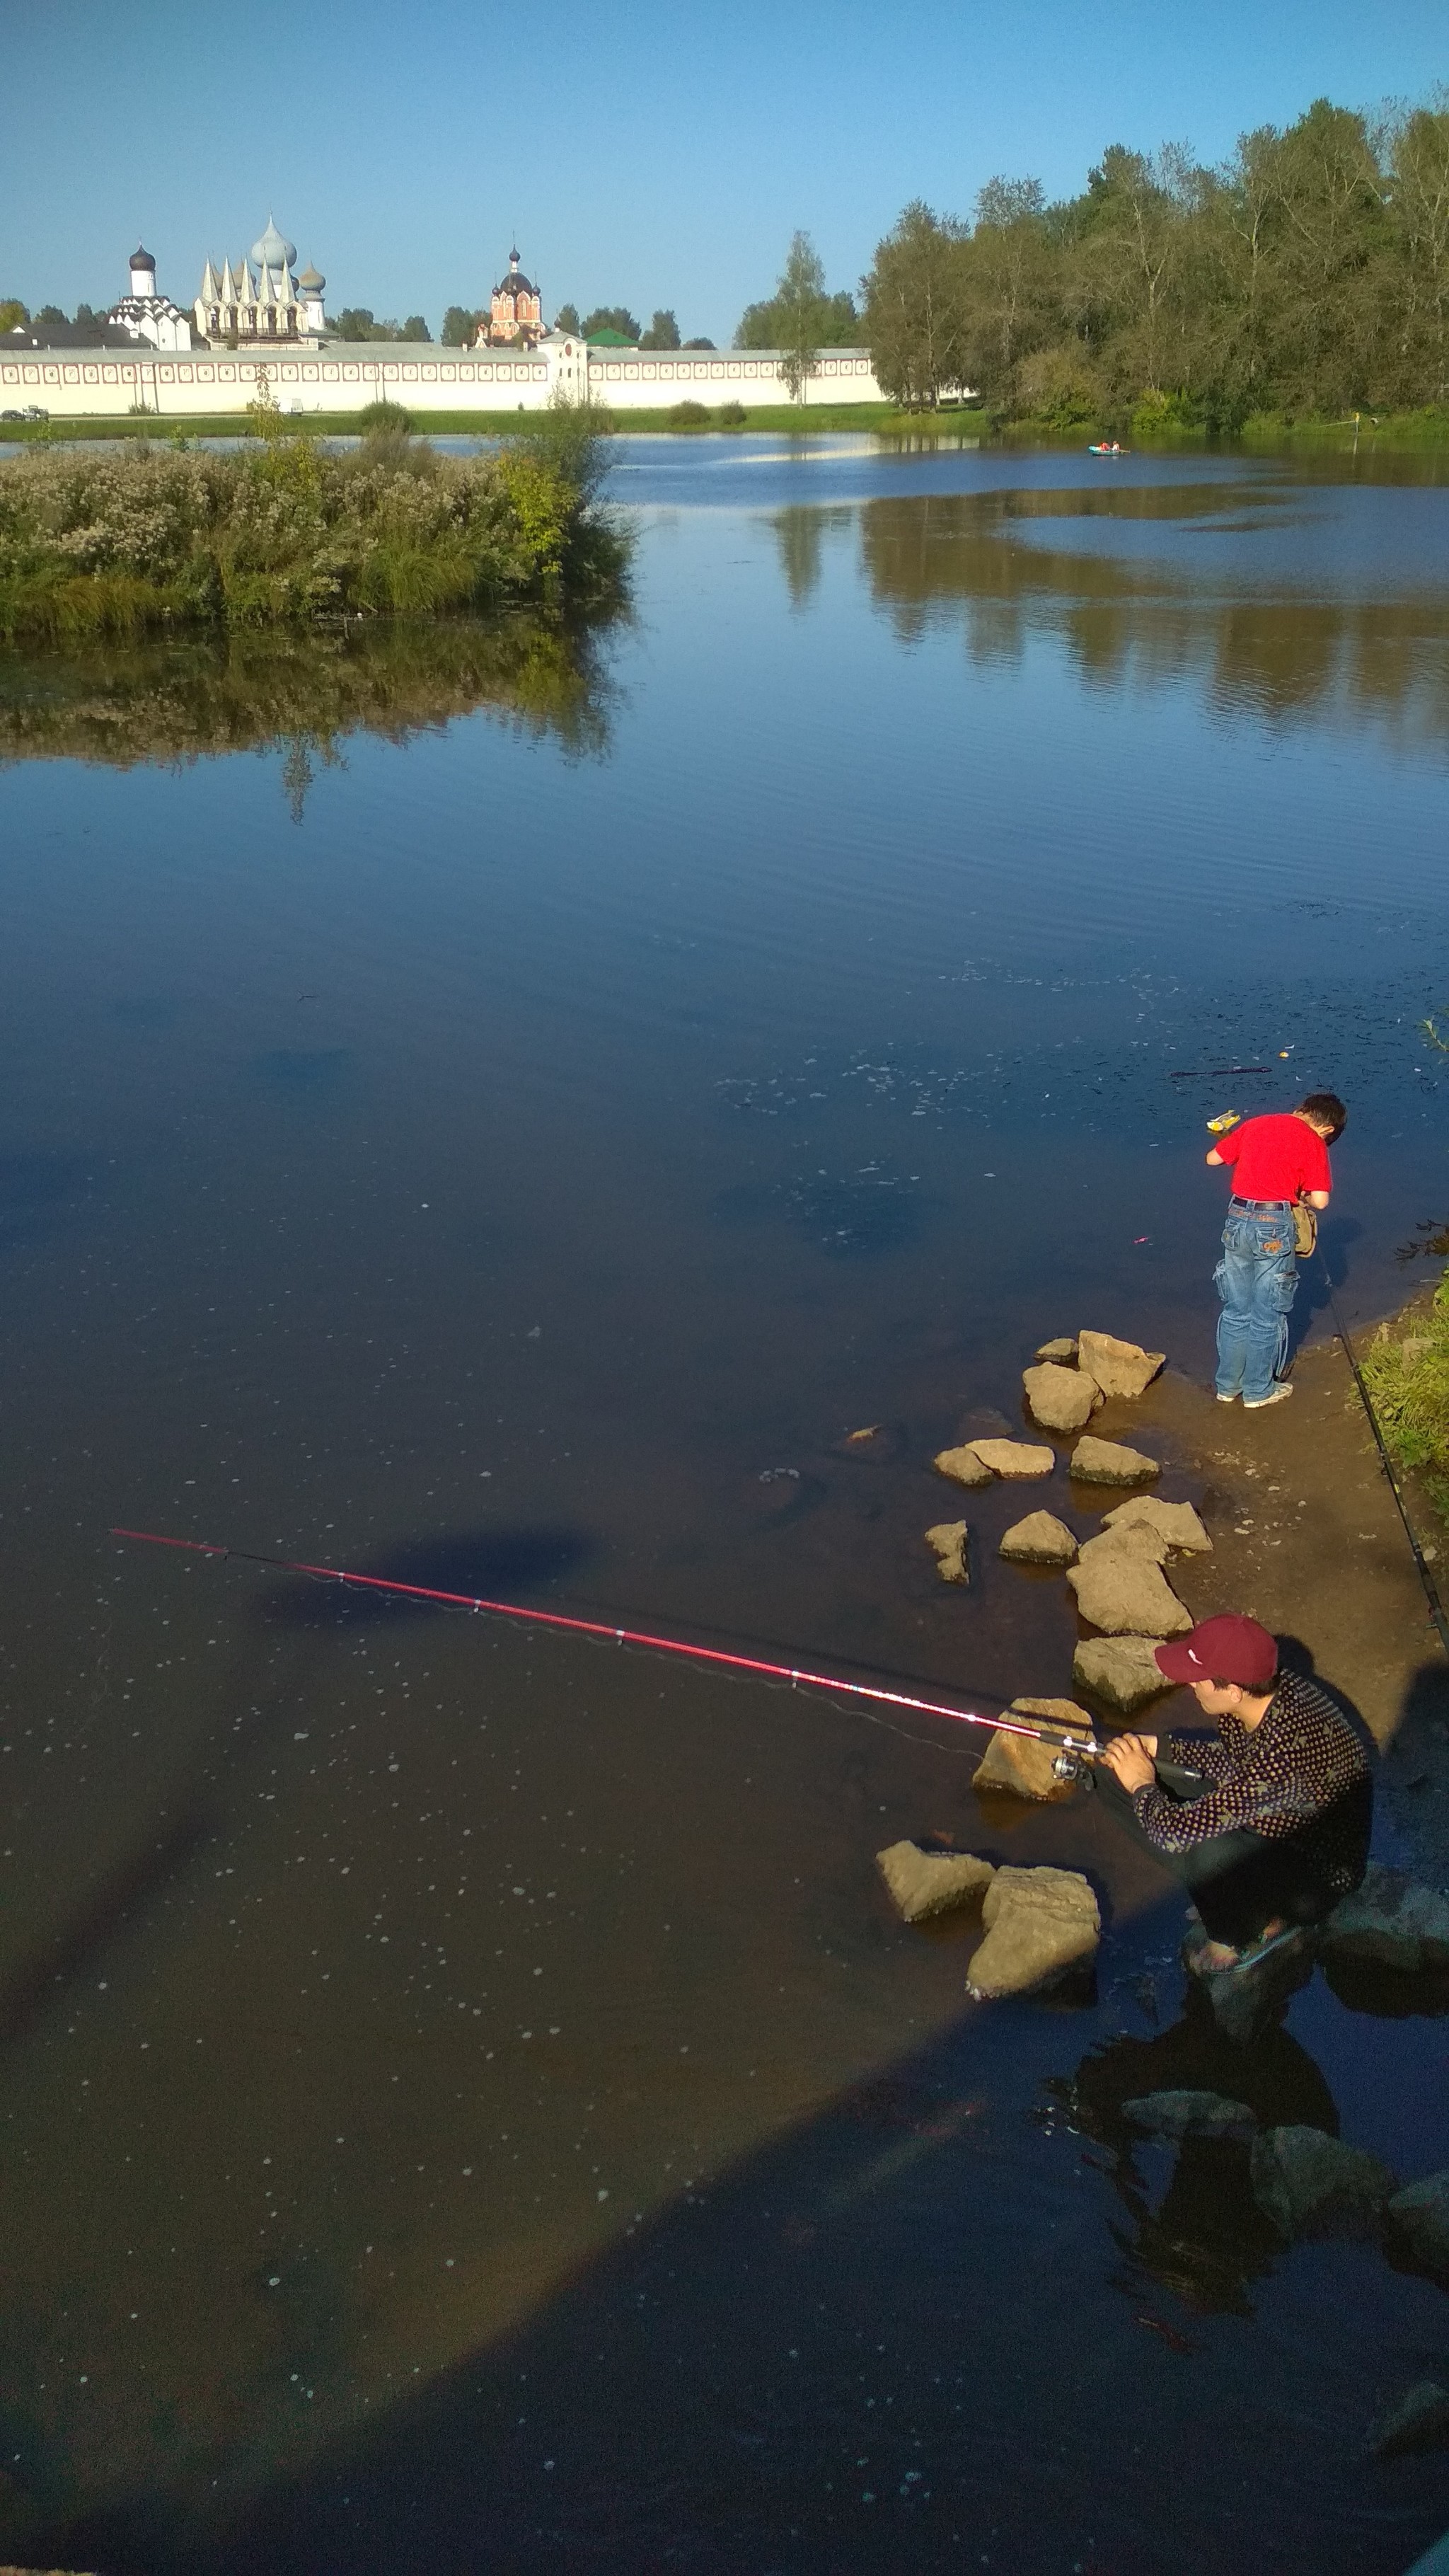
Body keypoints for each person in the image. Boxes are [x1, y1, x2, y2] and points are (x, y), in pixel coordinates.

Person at [1095, 1613, 1370, 1969]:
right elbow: (1232, 1764)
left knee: (1200, 1847)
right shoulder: (1265, 1696)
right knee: (1112, 1776)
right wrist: (1157, 1750)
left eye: (1198, 1680)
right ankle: (1229, 1895)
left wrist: (1142, 1782)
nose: (1190, 1685)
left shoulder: (1285, 1761)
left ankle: (1238, 1931)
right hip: (1274, 1822)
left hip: (1315, 1876)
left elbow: (1174, 1834)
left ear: (1233, 1691)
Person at [1205, 1091, 1344, 1408]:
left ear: (1300, 1109)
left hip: (1237, 1217)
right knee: (1267, 1315)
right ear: (1327, 1129)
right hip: (1274, 1222)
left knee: (1236, 1309)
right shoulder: (1313, 1142)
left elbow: (1212, 1159)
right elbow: (1320, 1200)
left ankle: (1227, 1386)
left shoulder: (1257, 1124)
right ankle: (1258, 1390)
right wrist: (1301, 1195)